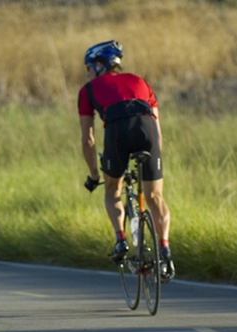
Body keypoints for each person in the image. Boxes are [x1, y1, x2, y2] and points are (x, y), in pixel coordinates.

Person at [79, 40, 174, 282]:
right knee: (155, 197)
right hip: (148, 131)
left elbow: (88, 139)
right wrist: (155, 160)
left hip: (117, 131)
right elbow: (158, 131)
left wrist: (93, 176)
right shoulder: (142, 82)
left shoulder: (88, 90)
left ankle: (121, 240)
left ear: (99, 65)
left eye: (88, 67)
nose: (87, 73)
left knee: (113, 190)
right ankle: (165, 251)